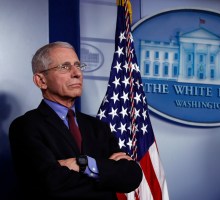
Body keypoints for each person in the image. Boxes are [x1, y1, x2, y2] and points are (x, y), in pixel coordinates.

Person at [9, 41, 143, 199]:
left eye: (78, 66)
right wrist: (106, 176)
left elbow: (131, 176)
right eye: (65, 67)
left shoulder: (98, 127)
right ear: (41, 81)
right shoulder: (25, 126)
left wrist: (83, 163)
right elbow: (52, 185)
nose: (77, 73)